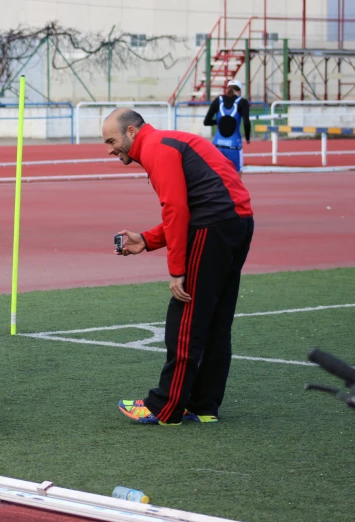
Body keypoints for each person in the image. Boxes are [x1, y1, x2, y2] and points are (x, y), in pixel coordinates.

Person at [102, 108, 254, 425]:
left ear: (132, 131)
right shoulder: (169, 141)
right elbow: (189, 206)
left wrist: (177, 270)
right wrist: (146, 239)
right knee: (215, 320)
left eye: (111, 140)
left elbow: (176, 208)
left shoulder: (156, 146)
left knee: (185, 316)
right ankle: (203, 405)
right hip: (237, 223)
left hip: (212, 227)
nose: (110, 149)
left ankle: (164, 407)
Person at [203, 79, 251, 176]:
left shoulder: (218, 100)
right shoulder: (242, 102)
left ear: (227, 89)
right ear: (239, 91)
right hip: (234, 146)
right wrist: (247, 137)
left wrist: (220, 123)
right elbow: (246, 122)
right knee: (236, 177)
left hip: (217, 146)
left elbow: (206, 121)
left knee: (217, 176)